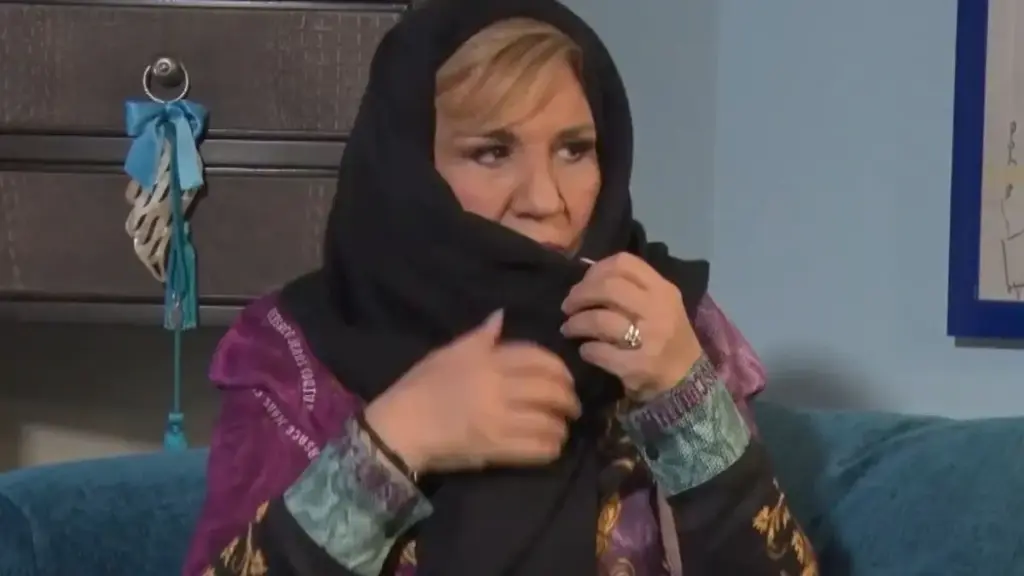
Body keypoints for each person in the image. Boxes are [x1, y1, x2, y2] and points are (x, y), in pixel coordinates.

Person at [184, 0, 818, 574]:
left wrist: (684, 403)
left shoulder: (669, 321)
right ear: (410, 168)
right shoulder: (292, 351)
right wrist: (397, 440)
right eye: (492, 152)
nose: (544, 200)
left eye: (574, 150)